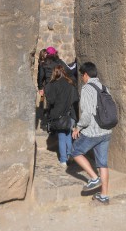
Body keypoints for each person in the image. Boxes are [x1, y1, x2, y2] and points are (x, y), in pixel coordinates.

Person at [71, 62, 113, 204]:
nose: (82, 78)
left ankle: (94, 178)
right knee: (103, 163)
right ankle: (104, 196)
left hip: (93, 132)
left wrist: (78, 127)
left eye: (82, 75)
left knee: (75, 151)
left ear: (86, 74)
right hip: (106, 130)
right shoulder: (104, 88)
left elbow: (87, 114)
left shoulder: (87, 89)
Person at [45, 65, 79, 167]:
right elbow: (76, 99)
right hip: (70, 114)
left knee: (61, 137)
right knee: (68, 135)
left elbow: (51, 100)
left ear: (55, 73)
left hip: (59, 115)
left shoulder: (53, 85)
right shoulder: (70, 84)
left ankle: (63, 159)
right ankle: (70, 155)